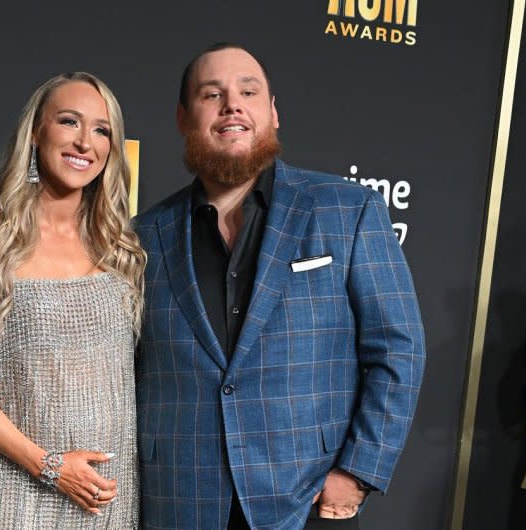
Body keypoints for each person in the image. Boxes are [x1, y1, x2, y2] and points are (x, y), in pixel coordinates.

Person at [134, 43, 425, 530]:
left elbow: (399, 349)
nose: (233, 105)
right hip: (179, 502)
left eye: (249, 91)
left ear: (272, 112)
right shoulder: (142, 236)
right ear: (184, 118)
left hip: (306, 503)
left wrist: (356, 472)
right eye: (212, 94)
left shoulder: (346, 209)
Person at [0, 72, 146, 529]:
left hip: (109, 496)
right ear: (35, 132)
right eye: (69, 122)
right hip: (17, 491)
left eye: (101, 129)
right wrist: (49, 466)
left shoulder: (119, 247)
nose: (85, 141)